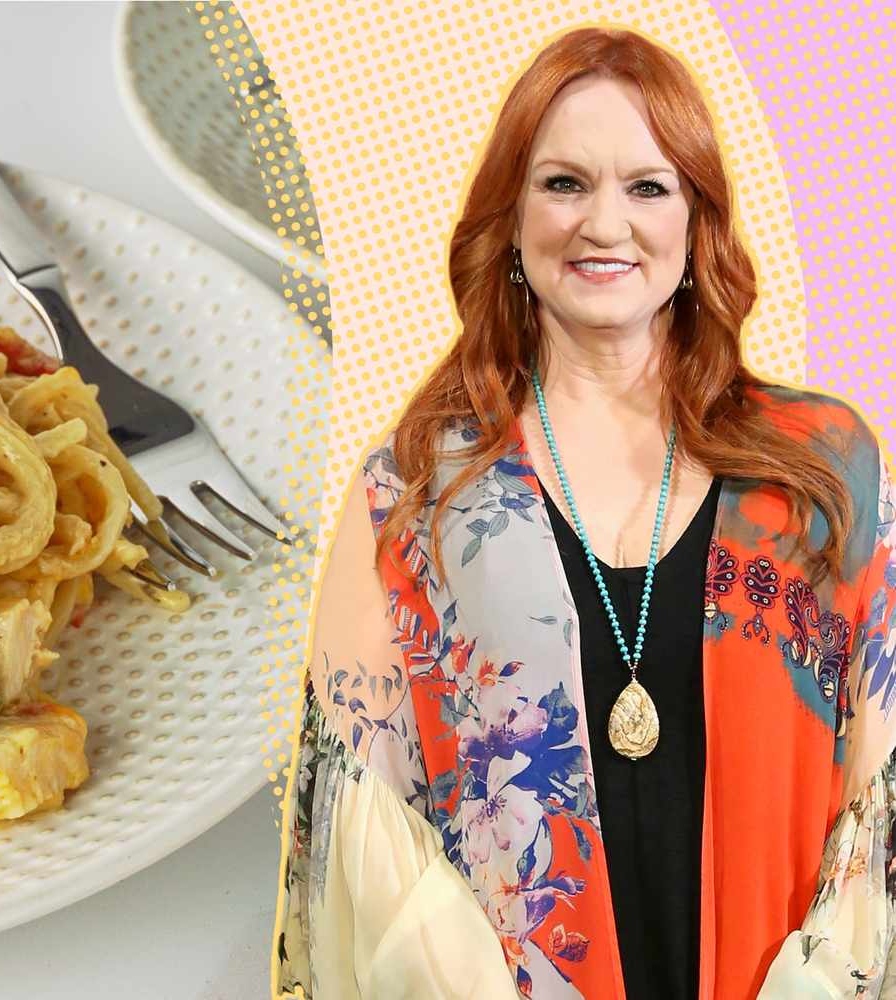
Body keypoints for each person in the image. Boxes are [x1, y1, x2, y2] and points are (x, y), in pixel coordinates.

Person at [274, 26, 896, 1000]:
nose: (605, 222)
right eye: (564, 183)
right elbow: (365, 845)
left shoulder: (825, 470)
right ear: (511, 220)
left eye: (647, 186)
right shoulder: (414, 495)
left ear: (697, 224)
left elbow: (881, 806)